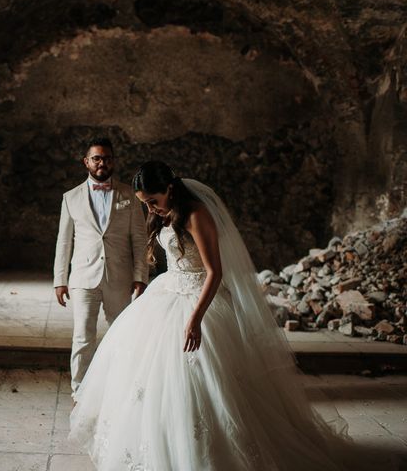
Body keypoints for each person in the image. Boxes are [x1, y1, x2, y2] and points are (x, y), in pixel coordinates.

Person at [69, 161, 370, 470]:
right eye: (146, 204)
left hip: (199, 299)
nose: (152, 210)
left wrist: (195, 319)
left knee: (203, 379)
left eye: (153, 202)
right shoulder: (162, 212)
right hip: (167, 293)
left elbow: (214, 272)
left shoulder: (197, 214)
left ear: (169, 189)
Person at [53, 138, 149, 398]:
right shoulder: (70, 198)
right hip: (84, 277)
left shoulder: (129, 195)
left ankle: (121, 390)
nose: (102, 163)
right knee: (83, 337)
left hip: (120, 276)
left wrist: (141, 276)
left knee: (122, 335)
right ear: (87, 162)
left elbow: (139, 239)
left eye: (106, 158)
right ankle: (79, 392)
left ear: (113, 161)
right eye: (96, 158)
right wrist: (59, 279)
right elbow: (64, 240)